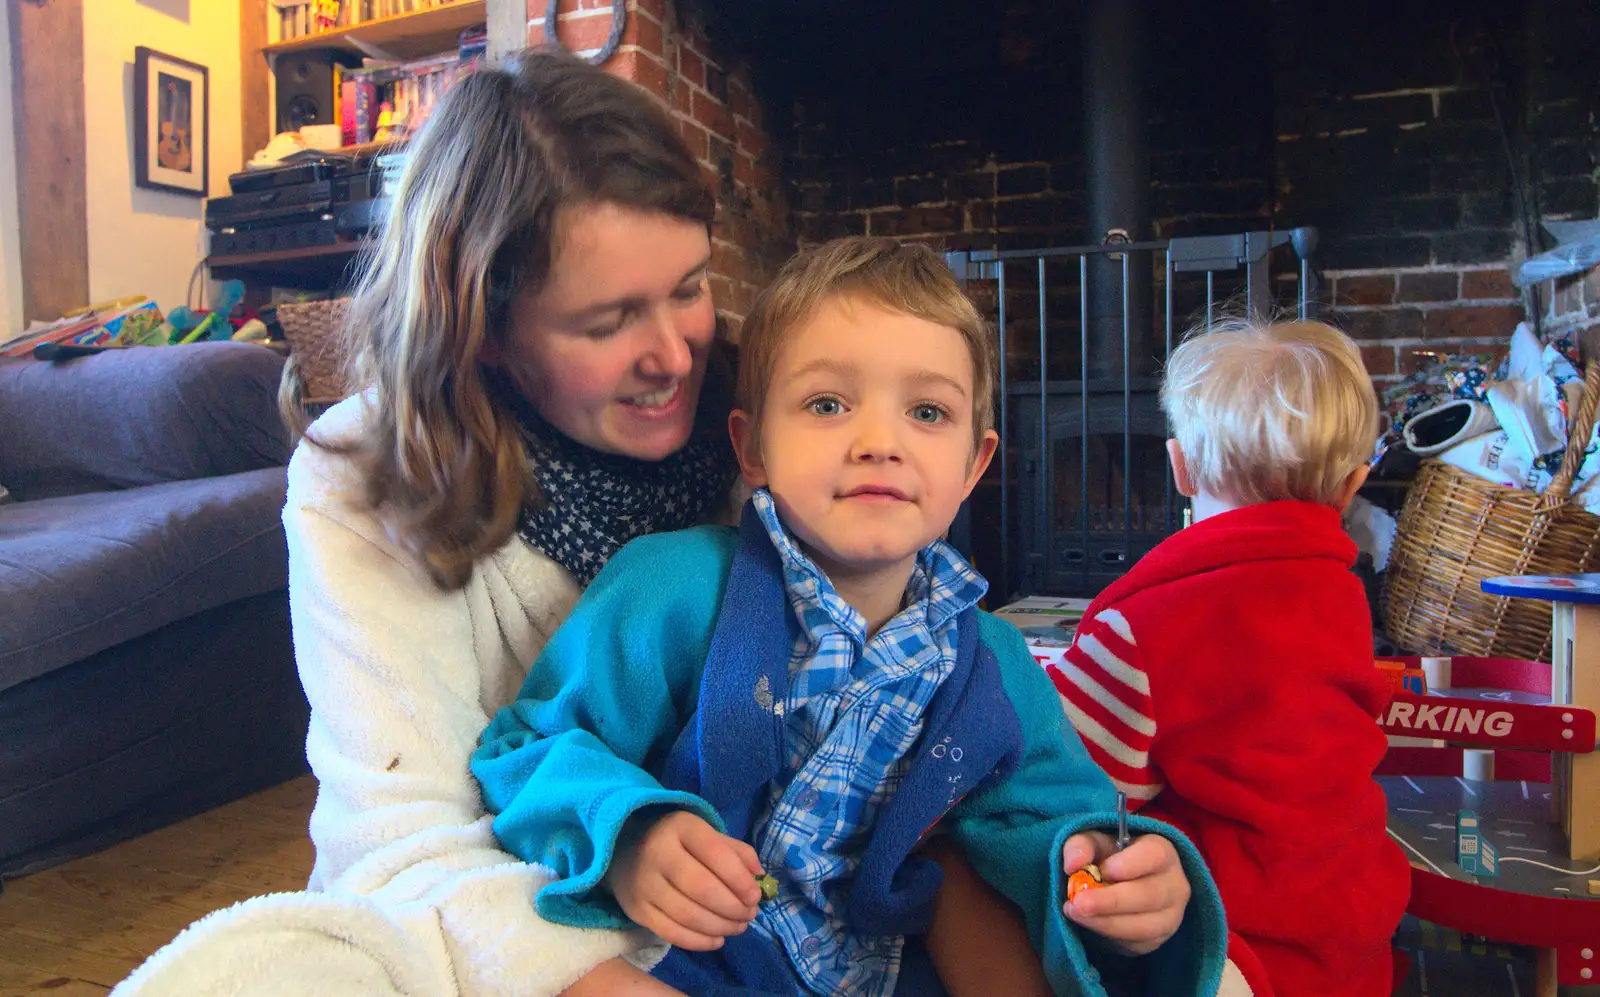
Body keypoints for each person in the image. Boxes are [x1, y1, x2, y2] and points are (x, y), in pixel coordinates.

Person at [471, 237, 1230, 997]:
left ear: (974, 465)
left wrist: (1123, 873)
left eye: (927, 411)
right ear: (752, 444)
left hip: (900, 969)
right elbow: (525, 748)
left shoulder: (994, 659)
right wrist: (628, 834)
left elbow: (1057, 816)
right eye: (827, 404)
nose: (879, 443)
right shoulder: (673, 587)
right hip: (699, 960)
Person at [281, 47, 751, 996]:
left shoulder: (767, 430)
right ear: (484, 328)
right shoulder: (367, 482)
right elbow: (405, 842)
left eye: (690, 288)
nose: (675, 355)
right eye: (608, 321)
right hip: (487, 937)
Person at [1045, 318, 1410, 996]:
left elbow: (1063, 763)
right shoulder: (1342, 592)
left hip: (1230, 949)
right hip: (1351, 932)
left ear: (1179, 465)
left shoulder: (1148, 619)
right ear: (1354, 483)